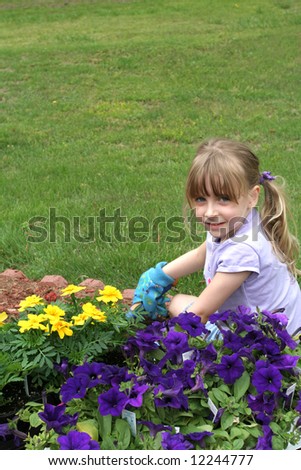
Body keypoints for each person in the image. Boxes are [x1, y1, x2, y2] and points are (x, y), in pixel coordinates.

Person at [130, 138, 301, 338]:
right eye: (201, 199)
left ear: (252, 197)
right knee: (176, 302)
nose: (210, 212)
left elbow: (200, 314)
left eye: (223, 199)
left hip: (263, 346)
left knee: (183, 313)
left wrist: (163, 344)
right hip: (256, 326)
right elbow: (199, 255)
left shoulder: (243, 249)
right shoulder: (234, 223)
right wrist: (156, 277)